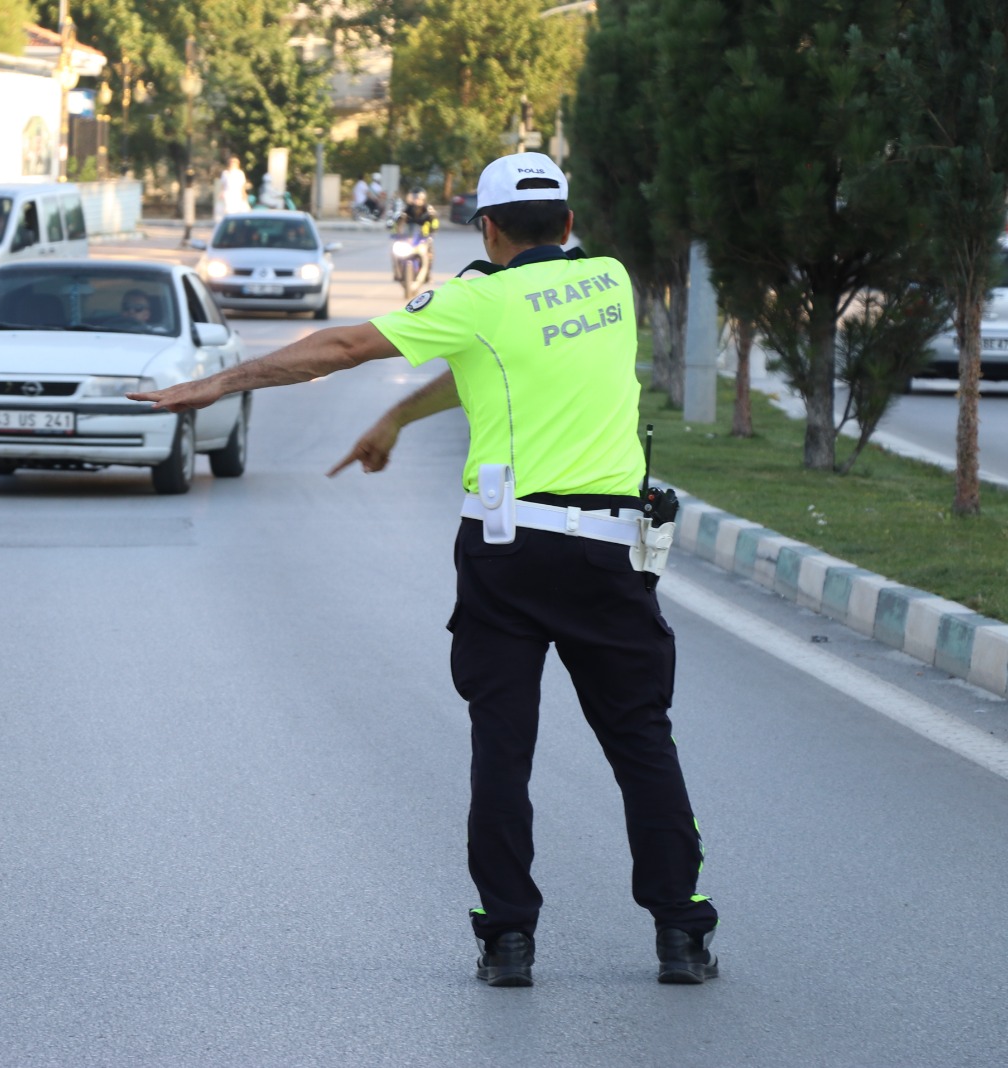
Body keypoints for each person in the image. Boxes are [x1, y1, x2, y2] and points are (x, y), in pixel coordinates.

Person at [128, 152, 718, 988]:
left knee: (502, 750)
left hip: (509, 558)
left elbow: (341, 345)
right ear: (570, 226)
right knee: (640, 742)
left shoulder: (477, 300)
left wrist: (218, 383)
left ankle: (507, 938)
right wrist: (400, 415)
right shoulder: (611, 285)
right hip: (608, 553)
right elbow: (492, 363)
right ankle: (681, 935)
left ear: (485, 225)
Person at [393, 186, 440, 281]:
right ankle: (397, 273)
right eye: (414, 198)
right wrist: (396, 233)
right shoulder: (407, 209)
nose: (416, 201)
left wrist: (432, 232)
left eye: (418, 198)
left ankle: (428, 274)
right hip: (409, 237)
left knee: (430, 253)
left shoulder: (428, 210)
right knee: (395, 252)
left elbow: (435, 222)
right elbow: (398, 222)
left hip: (424, 237)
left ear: (423, 198)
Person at [216, 156, 251, 221]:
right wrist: (222, 193)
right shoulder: (225, 173)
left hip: (237, 193)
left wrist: (244, 193)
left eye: (234, 162)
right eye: (232, 162)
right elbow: (223, 184)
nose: (233, 164)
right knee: (228, 210)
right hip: (228, 193)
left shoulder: (240, 173)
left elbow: (242, 185)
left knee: (240, 210)